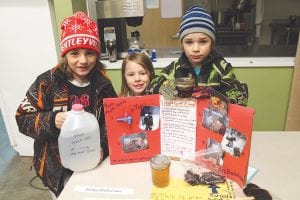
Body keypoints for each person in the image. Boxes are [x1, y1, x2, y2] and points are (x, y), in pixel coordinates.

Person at [15, 12, 117, 198]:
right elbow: (22, 119)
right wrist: (52, 120)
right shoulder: (46, 83)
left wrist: (102, 148)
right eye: (75, 53)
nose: (83, 60)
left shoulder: (103, 83)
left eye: (90, 53)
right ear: (65, 55)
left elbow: (113, 121)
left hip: (96, 160)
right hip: (57, 165)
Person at [146, 6, 248, 106]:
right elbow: (151, 88)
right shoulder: (174, 69)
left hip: (210, 121)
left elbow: (240, 95)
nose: (195, 49)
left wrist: (208, 96)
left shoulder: (222, 68)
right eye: (189, 42)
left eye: (203, 42)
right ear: (182, 45)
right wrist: (170, 92)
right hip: (183, 120)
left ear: (212, 43)